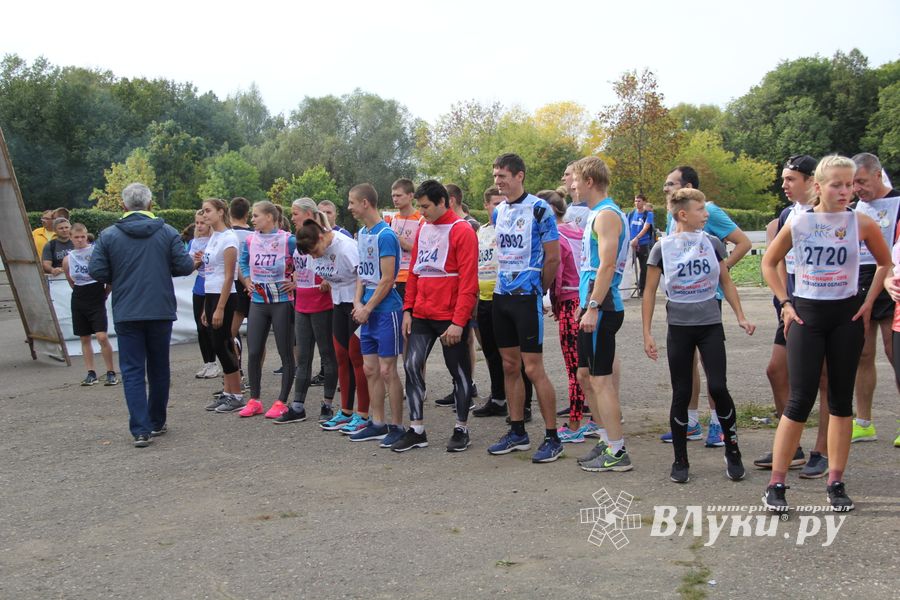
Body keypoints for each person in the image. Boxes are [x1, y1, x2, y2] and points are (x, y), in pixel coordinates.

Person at [761, 155, 891, 512]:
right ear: (818, 187)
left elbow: (885, 263)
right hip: (807, 316)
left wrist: (868, 303)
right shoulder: (799, 223)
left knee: (840, 401)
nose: (846, 191)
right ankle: (777, 483)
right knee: (799, 401)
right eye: (837, 184)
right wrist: (785, 303)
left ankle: (836, 480)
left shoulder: (861, 223)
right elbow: (769, 262)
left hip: (845, 316)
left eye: (850, 184)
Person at [642, 188, 755, 483]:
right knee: (681, 392)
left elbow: (726, 282)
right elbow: (650, 292)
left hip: (710, 325)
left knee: (718, 386)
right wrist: (647, 333)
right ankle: (680, 459)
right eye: (700, 209)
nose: (706, 214)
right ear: (683, 214)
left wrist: (740, 316)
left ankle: (732, 450)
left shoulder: (713, 243)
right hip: (679, 328)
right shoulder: (662, 247)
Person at [88, 182, 194, 447]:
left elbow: (96, 271)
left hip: (127, 310)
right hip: (159, 309)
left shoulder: (109, 235)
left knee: (132, 370)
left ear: (123, 206)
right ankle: (157, 421)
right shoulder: (167, 232)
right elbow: (183, 266)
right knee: (159, 367)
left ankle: (140, 429)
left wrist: (120, 274)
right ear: (150, 204)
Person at [659, 166, 752, 447]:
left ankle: (717, 424)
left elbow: (744, 243)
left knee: (712, 370)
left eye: (670, 183)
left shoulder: (708, 210)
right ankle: (690, 422)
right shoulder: (673, 215)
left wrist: (717, 275)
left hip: (708, 301)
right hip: (680, 303)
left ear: (686, 185)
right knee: (687, 366)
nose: (665, 188)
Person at [485, 153, 563, 463]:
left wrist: (538, 289)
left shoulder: (541, 209)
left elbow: (553, 257)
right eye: (495, 175)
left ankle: (552, 437)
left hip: (526, 295)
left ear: (520, 176)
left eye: (502, 175)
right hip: (501, 295)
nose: (497, 181)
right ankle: (517, 431)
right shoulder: (498, 211)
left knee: (533, 368)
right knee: (509, 365)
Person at [756, 155, 830, 478]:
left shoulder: (831, 213)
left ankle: (823, 451)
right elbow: (776, 261)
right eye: (783, 178)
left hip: (824, 306)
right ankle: (793, 445)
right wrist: (784, 301)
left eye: (790, 179)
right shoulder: (788, 214)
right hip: (792, 306)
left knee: (826, 380)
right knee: (776, 370)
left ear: (810, 180)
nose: (784, 185)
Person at [393, 180, 479, 452]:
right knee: (410, 366)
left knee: (459, 372)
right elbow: (416, 272)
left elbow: (468, 281)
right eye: (419, 206)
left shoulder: (462, 230)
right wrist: (408, 310)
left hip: (449, 317)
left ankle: (461, 427)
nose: (422, 211)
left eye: (426, 206)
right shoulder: (423, 227)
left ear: (444, 202)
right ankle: (417, 428)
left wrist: (458, 321)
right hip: (422, 313)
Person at [568, 157, 630, 472]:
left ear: (589, 181)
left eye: (575, 180)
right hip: (590, 304)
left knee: (601, 380)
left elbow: (606, 265)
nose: (571, 186)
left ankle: (617, 452)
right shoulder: (596, 214)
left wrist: (592, 307)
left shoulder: (607, 215)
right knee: (584, 376)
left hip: (602, 306)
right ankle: (606, 440)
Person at [295, 218, 372, 436]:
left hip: (356, 303)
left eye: (315, 250)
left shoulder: (345, 246)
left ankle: (363, 413)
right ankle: (346, 411)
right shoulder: (313, 251)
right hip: (337, 303)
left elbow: (362, 275)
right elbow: (326, 276)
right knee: (341, 356)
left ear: (321, 237)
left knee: (357, 357)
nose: (315, 256)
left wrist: (359, 304)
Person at [348, 183, 404, 441]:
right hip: (366, 312)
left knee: (387, 370)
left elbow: (388, 278)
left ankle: (397, 426)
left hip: (386, 311)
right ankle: (377, 422)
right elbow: (363, 272)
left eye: (352, 202)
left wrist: (368, 308)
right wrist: (357, 303)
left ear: (365, 203)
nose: (349, 208)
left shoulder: (386, 235)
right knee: (370, 369)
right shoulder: (362, 233)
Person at [850, 152, 900, 442]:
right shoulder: (854, 207)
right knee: (863, 353)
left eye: (861, 181)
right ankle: (864, 422)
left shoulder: (897, 202)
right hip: (861, 276)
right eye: (853, 183)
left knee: (894, 352)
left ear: (878, 176)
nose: (857, 188)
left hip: (892, 277)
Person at [539, 190, 594, 443]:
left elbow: (557, 273)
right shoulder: (577, 230)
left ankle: (574, 425)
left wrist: (552, 300)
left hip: (571, 304)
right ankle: (595, 419)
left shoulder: (555, 237)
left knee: (574, 369)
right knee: (589, 367)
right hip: (586, 300)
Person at [237, 201, 298, 420]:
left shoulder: (288, 240)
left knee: (285, 353)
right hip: (258, 301)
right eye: (252, 216)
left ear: (270, 218)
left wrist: (296, 281)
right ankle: (255, 399)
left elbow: (308, 259)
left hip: (282, 301)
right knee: (254, 352)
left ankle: (282, 401)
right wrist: (247, 281)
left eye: (255, 216)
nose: (252, 220)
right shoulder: (250, 239)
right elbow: (243, 262)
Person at [289, 201, 339, 423]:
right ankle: (297, 405)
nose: (292, 218)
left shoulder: (326, 237)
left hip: (323, 304)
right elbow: (299, 269)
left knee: (327, 354)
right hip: (302, 303)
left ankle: (327, 405)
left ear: (308, 214)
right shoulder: (297, 238)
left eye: (295, 214)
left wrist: (329, 280)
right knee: (303, 357)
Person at [198, 198, 244, 413]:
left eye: (208, 211)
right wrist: (206, 306)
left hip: (225, 297)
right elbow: (210, 274)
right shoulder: (214, 237)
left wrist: (220, 307)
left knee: (222, 345)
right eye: (203, 211)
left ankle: (236, 394)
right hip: (212, 295)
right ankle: (228, 392)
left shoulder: (229, 238)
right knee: (217, 343)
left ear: (220, 212)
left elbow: (228, 277)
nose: (204, 215)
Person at [436, 183, 479, 408]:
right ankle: (461, 386)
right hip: (455, 295)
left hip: (470, 292)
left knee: (468, 340)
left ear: (450, 201)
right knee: (465, 341)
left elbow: (470, 267)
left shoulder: (468, 226)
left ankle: (467, 385)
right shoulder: (446, 226)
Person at [62, 223, 118, 387]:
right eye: (76, 237)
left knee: (101, 336)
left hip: (96, 294)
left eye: (83, 237)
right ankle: (91, 372)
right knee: (84, 337)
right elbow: (71, 280)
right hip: (79, 296)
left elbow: (109, 275)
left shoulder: (95, 252)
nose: (80, 240)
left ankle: (110, 371)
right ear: (71, 238)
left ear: (87, 236)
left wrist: (105, 292)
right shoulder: (68, 258)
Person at [186, 211, 220, 380]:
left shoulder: (215, 241)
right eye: (197, 223)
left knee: (209, 327)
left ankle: (214, 362)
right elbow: (189, 267)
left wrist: (204, 259)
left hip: (212, 287)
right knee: (200, 328)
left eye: (202, 223)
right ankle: (207, 362)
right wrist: (198, 261)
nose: (199, 226)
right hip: (199, 287)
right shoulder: (193, 243)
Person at [385, 178, 424, 303]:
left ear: (411, 196)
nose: (395, 199)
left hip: (411, 276)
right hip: (392, 276)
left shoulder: (421, 220)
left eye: (399, 195)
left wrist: (405, 244)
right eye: (393, 196)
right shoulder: (392, 219)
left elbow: (425, 252)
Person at [229, 197, 253, 379]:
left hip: (237, 287)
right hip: (254, 286)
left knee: (229, 334)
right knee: (255, 338)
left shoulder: (228, 235)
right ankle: (252, 375)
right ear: (248, 214)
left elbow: (236, 265)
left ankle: (236, 372)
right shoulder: (254, 235)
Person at [627, 194, 654, 297]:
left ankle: (642, 289)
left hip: (643, 244)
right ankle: (625, 289)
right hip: (631, 245)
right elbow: (628, 227)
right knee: (628, 266)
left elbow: (646, 228)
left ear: (644, 202)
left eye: (639, 201)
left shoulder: (648, 214)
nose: (637, 203)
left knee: (644, 268)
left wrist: (637, 238)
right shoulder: (631, 213)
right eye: (635, 201)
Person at [562, 161, 591, 231]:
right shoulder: (565, 210)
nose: (563, 178)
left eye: (567, 174)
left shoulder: (594, 210)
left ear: (578, 177)